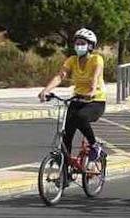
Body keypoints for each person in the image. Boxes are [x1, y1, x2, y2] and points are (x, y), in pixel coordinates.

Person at [38, 28, 106, 171]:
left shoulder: (96, 59)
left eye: (82, 43)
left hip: (95, 101)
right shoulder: (72, 60)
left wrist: (92, 91)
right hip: (77, 99)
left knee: (81, 117)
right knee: (66, 134)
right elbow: (60, 76)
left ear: (90, 46)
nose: (78, 46)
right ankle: (65, 173)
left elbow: (95, 75)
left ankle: (94, 146)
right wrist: (46, 90)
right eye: (77, 43)